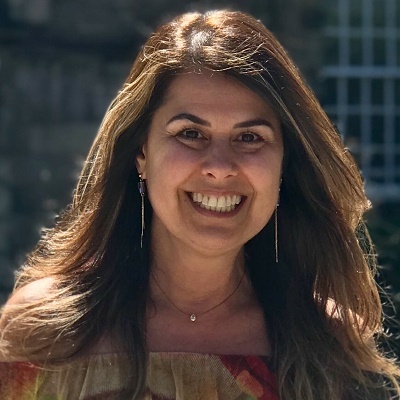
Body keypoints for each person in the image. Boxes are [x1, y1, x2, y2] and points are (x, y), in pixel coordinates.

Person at [0, 9, 399, 400]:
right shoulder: (42, 334)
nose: (220, 167)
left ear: (284, 165)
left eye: (250, 138)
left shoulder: (334, 347)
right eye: (190, 133)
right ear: (141, 152)